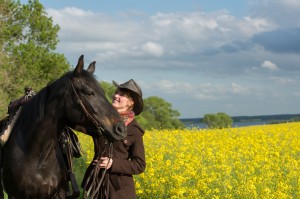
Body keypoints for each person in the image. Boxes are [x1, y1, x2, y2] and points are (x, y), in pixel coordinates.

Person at [81, 79, 146, 199]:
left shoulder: (134, 130)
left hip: (119, 191)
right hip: (96, 185)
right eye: (116, 92)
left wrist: (113, 163)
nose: (116, 96)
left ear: (130, 103)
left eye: (121, 95)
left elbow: (139, 165)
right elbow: (79, 123)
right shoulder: (101, 121)